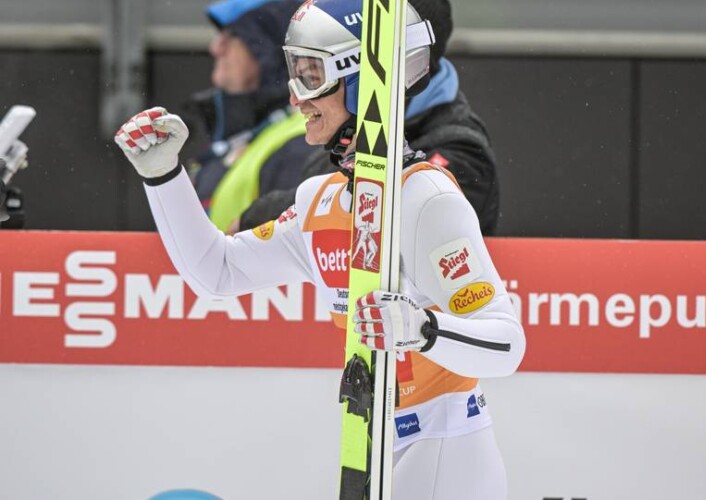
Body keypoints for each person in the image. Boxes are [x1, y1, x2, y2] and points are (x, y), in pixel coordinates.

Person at [114, 0, 525, 498]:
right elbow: (216, 272)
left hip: (448, 450)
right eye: (293, 71)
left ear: (361, 79)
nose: (295, 97)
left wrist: (422, 329)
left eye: (311, 74)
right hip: (371, 444)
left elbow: (506, 344)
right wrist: (162, 176)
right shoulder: (319, 200)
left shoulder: (426, 198)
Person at [236, 0, 501, 236]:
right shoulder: (345, 136)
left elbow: (378, 223)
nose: (297, 99)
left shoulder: (460, 149)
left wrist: (263, 217)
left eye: (315, 76)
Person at [185, 0, 320, 231]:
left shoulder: (304, 141)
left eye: (232, 35)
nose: (216, 48)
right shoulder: (248, 134)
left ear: (267, 48)